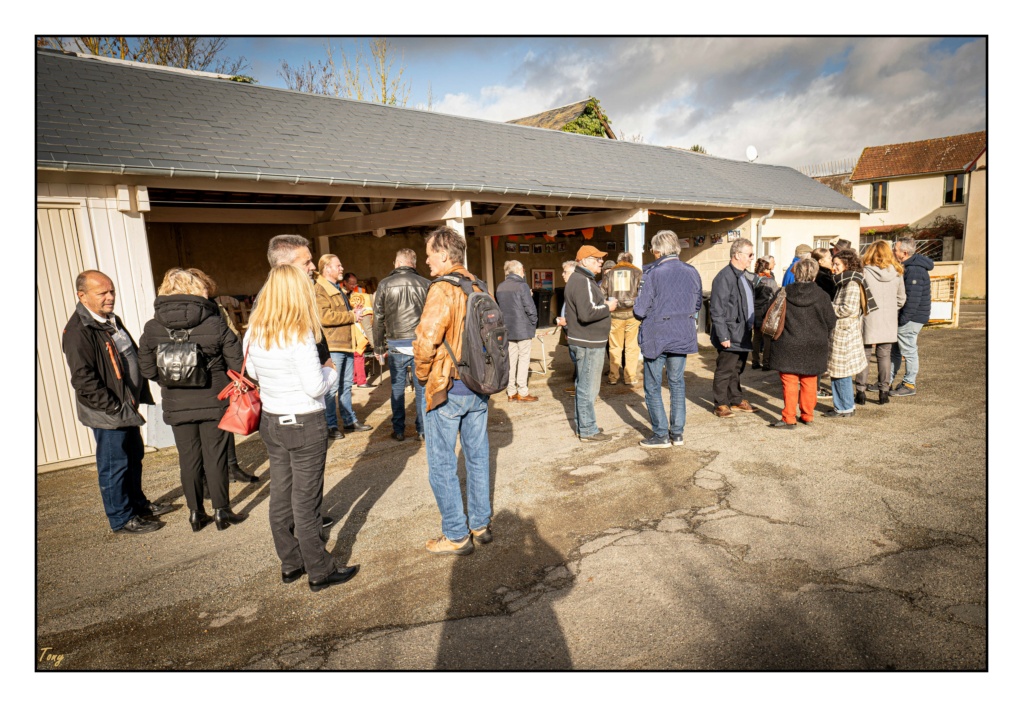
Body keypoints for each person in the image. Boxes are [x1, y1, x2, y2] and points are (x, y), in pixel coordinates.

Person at [245, 264, 359, 591]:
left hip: (272, 419)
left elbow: (252, 369)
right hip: (304, 420)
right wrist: (329, 369)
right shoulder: (299, 332)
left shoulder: (255, 329)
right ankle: (319, 569)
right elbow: (315, 386)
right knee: (305, 501)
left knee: (281, 494)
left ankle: (291, 561)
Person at [138, 268, 247, 532]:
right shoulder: (215, 322)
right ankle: (222, 511)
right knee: (216, 456)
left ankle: (196, 514)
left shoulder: (153, 327)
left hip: (177, 402)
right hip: (214, 398)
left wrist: (172, 380)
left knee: (188, 459)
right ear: (196, 290)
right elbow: (237, 364)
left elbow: (147, 369)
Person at [61, 270, 170, 534]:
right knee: (114, 464)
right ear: (82, 296)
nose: (110, 297)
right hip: (108, 411)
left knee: (134, 456)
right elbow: (83, 379)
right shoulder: (79, 330)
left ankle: (138, 505)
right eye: (103, 293)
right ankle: (121, 518)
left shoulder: (110, 320)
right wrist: (112, 406)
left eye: (112, 291)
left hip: (126, 406)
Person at [414, 226, 493, 555]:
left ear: (445, 255)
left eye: (430, 253)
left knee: (442, 464)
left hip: (447, 387)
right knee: (478, 458)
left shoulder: (442, 289)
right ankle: (480, 524)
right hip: (479, 385)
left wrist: (422, 377)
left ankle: (457, 535)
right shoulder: (479, 284)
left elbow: (426, 338)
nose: (427, 259)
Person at [188, 268, 258, 484]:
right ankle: (209, 476)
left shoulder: (215, 306)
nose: (206, 290)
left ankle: (231, 466)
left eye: (206, 286)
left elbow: (230, 332)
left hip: (227, 370)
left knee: (229, 420)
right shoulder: (191, 311)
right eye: (202, 286)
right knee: (206, 433)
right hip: (206, 375)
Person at [633, 230, 702, 447]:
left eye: (654, 250)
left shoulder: (654, 273)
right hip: (682, 332)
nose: (653, 253)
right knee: (677, 383)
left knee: (653, 385)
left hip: (657, 335)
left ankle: (661, 434)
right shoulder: (692, 271)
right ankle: (678, 434)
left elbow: (640, 310)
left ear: (659, 250)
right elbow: (698, 304)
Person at [765, 259, 837, 428]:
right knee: (810, 381)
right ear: (814, 274)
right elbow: (831, 322)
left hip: (787, 344)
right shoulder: (822, 295)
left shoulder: (783, 293)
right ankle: (807, 414)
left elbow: (771, 315)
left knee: (789, 382)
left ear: (796, 273)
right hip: (814, 345)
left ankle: (789, 418)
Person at [373, 248, 431, 441]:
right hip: (419, 343)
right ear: (413, 263)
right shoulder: (426, 284)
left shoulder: (385, 284)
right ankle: (422, 429)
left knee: (397, 388)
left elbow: (378, 318)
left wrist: (378, 346)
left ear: (396, 263)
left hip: (396, 342)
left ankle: (398, 430)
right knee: (422, 388)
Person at [564, 245, 618, 441]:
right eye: (597, 259)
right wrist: (608, 307)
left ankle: (585, 426)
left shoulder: (579, 279)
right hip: (588, 342)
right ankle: (588, 430)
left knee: (584, 386)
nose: (601, 262)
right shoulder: (582, 281)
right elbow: (587, 314)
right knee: (588, 389)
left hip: (586, 341)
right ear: (585, 261)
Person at [315, 254, 370, 438]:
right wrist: (351, 316)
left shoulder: (335, 288)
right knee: (331, 388)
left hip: (345, 343)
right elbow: (325, 317)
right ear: (327, 268)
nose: (341, 268)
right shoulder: (320, 290)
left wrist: (351, 313)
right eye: (337, 265)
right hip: (334, 345)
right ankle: (331, 425)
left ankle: (349, 421)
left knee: (346, 386)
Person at [710, 238, 757, 418]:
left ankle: (736, 399)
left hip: (743, 332)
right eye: (749, 255)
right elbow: (717, 309)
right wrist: (723, 335)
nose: (752, 258)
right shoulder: (724, 277)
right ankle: (720, 404)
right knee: (725, 370)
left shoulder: (743, 275)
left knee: (737, 369)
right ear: (737, 255)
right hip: (730, 333)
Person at [855, 241, 906, 405]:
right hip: (889, 318)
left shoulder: (863, 272)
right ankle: (884, 391)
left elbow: (858, 296)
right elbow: (901, 299)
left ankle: (860, 391)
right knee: (884, 356)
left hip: (869, 316)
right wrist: (891, 309)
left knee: (864, 355)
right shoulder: (897, 272)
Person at [826, 249, 875, 418]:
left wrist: (827, 307)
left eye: (837, 264)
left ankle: (845, 407)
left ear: (847, 264)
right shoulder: (846, 281)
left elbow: (848, 309)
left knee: (841, 373)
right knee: (839, 372)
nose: (834, 268)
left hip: (844, 334)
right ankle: (843, 406)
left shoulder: (852, 283)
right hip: (842, 332)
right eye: (833, 264)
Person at [888, 237, 933, 396]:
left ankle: (909, 384)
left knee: (908, 351)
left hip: (911, 318)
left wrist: (902, 320)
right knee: (896, 351)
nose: (893, 252)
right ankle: (886, 381)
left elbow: (912, 299)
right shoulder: (910, 266)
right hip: (908, 317)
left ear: (904, 253)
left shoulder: (914, 270)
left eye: (895, 250)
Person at [496, 260, 539, 403]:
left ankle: (511, 391)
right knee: (523, 360)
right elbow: (530, 308)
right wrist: (534, 322)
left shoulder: (500, 287)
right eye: (523, 270)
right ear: (518, 270)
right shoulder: (522, 286)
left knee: (511, 361)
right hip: (523, 329)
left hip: (507, 329)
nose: (524, 272)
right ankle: (522, 391)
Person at [601, 251, 643, 386]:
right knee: (632, 347)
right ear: (631, 260)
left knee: (614, 347)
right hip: (632, 314)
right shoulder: (638, 273)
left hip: (615, 315)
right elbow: (642, 294)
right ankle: (630, 377)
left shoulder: (610, 274)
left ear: (618, 261)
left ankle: (613, 377)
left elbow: (602, 293)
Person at [343, 272, 372, 388]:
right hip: (348, 326)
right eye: (351, 284)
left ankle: (355, 379)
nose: (353, 286)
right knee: (357, 355)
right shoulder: (338, 291)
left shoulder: (361, 291)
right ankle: (360, 381)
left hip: (358, 326)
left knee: (357, 353)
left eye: (355, 283)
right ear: (344, 282)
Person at [751, 257, 779, 371]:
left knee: (756, 337)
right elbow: (777, 296)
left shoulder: (753, 280)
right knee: (767, 338)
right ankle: (766, 363)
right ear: (767, 268)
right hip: (767, 312)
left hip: (755, 311)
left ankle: (755, 361)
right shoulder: (770, 281)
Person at [556, 260, 577, 396]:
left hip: (575, 331)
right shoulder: (569, 288)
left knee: (578, 360)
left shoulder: (576, 289)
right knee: (575, 360)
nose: (562, 275)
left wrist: (567, 323)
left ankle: (580, 388)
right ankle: (577, 385)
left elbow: (579, 312)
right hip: (569, 330)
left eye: (566, 272)